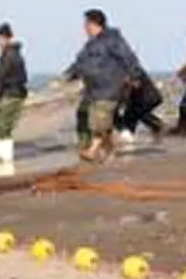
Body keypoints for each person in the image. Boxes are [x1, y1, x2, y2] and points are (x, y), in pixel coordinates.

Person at [63, 9, 142, 164]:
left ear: (94, 24)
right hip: (93, 90)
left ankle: (93, 150)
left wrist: (135, 76)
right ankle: (108, 148)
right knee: (94, 121)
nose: (84, 28)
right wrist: (70, 74)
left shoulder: (113, 40)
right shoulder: (90, 45)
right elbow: (81, 64)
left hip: (109, 87)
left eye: (86, 24)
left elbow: (129, 57)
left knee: (100, 122)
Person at [0, 23, 28, 175]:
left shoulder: (10, 55)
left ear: (5, 38)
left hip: (12, 93)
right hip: (8, 92)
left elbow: (0, 74)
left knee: (4, 123)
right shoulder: (9, 54)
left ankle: (6, 154)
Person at [115, 65, 163, 142]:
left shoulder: (130, 67)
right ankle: (158, 131)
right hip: (145, 98)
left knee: (134, 115)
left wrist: (123, 98)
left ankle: (158, 128)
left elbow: (134, 84)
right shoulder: (128, 66)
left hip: (147, 98)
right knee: (133, 115)